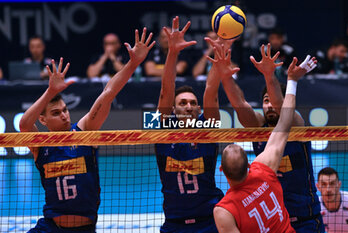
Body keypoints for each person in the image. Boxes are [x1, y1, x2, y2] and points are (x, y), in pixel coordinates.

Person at [19, 28, 155, 232]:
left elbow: (108, 93)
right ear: (43, 120)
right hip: (50, 227)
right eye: (56, 113)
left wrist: (133, 63)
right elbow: (24, 125)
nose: (64, 115)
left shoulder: (84, 133)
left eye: (65, 110)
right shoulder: (41, 146)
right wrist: (50, 92)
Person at [220, 43, 325, 232]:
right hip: (272, 220)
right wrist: (226, 77)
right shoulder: (258, 126)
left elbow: (280, 106)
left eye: (272, 100)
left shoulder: (295, 122)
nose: (269, 106)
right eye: (265, 101)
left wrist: (270, 75)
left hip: (305, 216)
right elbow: (239, 103)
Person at [155, 16, 235, 232]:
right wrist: (172, 53)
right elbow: (166, 90)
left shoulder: (208, 127)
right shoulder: (161, 129)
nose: (189, 106)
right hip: (173, 223)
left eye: (193, 103)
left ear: (199, 110)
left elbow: (210, 90)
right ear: (173, 110)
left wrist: (220, 54)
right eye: (182, 103)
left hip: (209, 221)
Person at [316, 167, 348, 233]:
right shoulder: (315, 207)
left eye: (332, 184)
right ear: (318, 187)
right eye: (323, 184)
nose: (328, 189)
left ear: (339, 185)